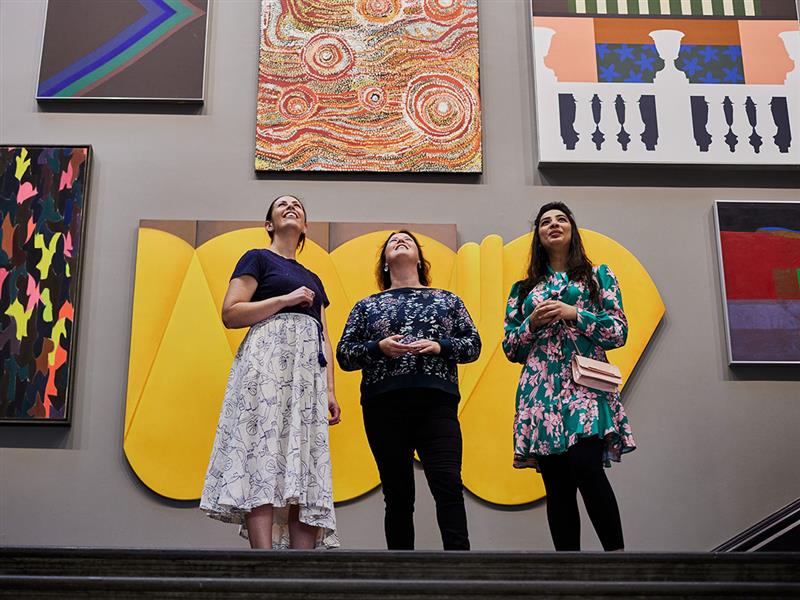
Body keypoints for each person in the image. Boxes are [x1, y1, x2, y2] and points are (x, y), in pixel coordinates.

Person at [200, 194, 340, 549]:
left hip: (306, 374)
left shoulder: (313, 278)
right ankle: (263, 561)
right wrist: (285, 300)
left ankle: (300, 566)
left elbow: (324, 336)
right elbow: (231, 313)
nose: (290, 206)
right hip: (267, 363)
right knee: (262, 450)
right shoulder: (257, 258)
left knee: (305, 458)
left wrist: (329, 390)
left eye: (297, 205)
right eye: (281, 205)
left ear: (305, 226)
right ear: (268, 223)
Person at [503, 202, 635, 552]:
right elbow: (510, 348)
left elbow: (618, 331)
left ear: (572, 230)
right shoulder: (522, 290)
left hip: (585, 385)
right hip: (539, 392)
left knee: (587, 468)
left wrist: (574, 313)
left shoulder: (598, 276)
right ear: (538, 236)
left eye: (561, 219)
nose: (554, 224)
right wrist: (531, 323)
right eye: (545, 222)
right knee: (557, 483)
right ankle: (567, 570)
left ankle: (618, 560)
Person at [336, 230, 481, 550]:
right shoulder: (366, 306)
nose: (399, 241)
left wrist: (440, 346)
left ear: (419, 259)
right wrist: (378, 348)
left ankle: (461, 570)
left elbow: (473, 345)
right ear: (385, 262)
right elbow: (344, 355)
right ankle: (399, 571)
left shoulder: (447, 299)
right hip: (383, 407)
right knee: (397, 494)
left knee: (448, 486)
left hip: (436, 404)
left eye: (407, 239)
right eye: (392, 241)